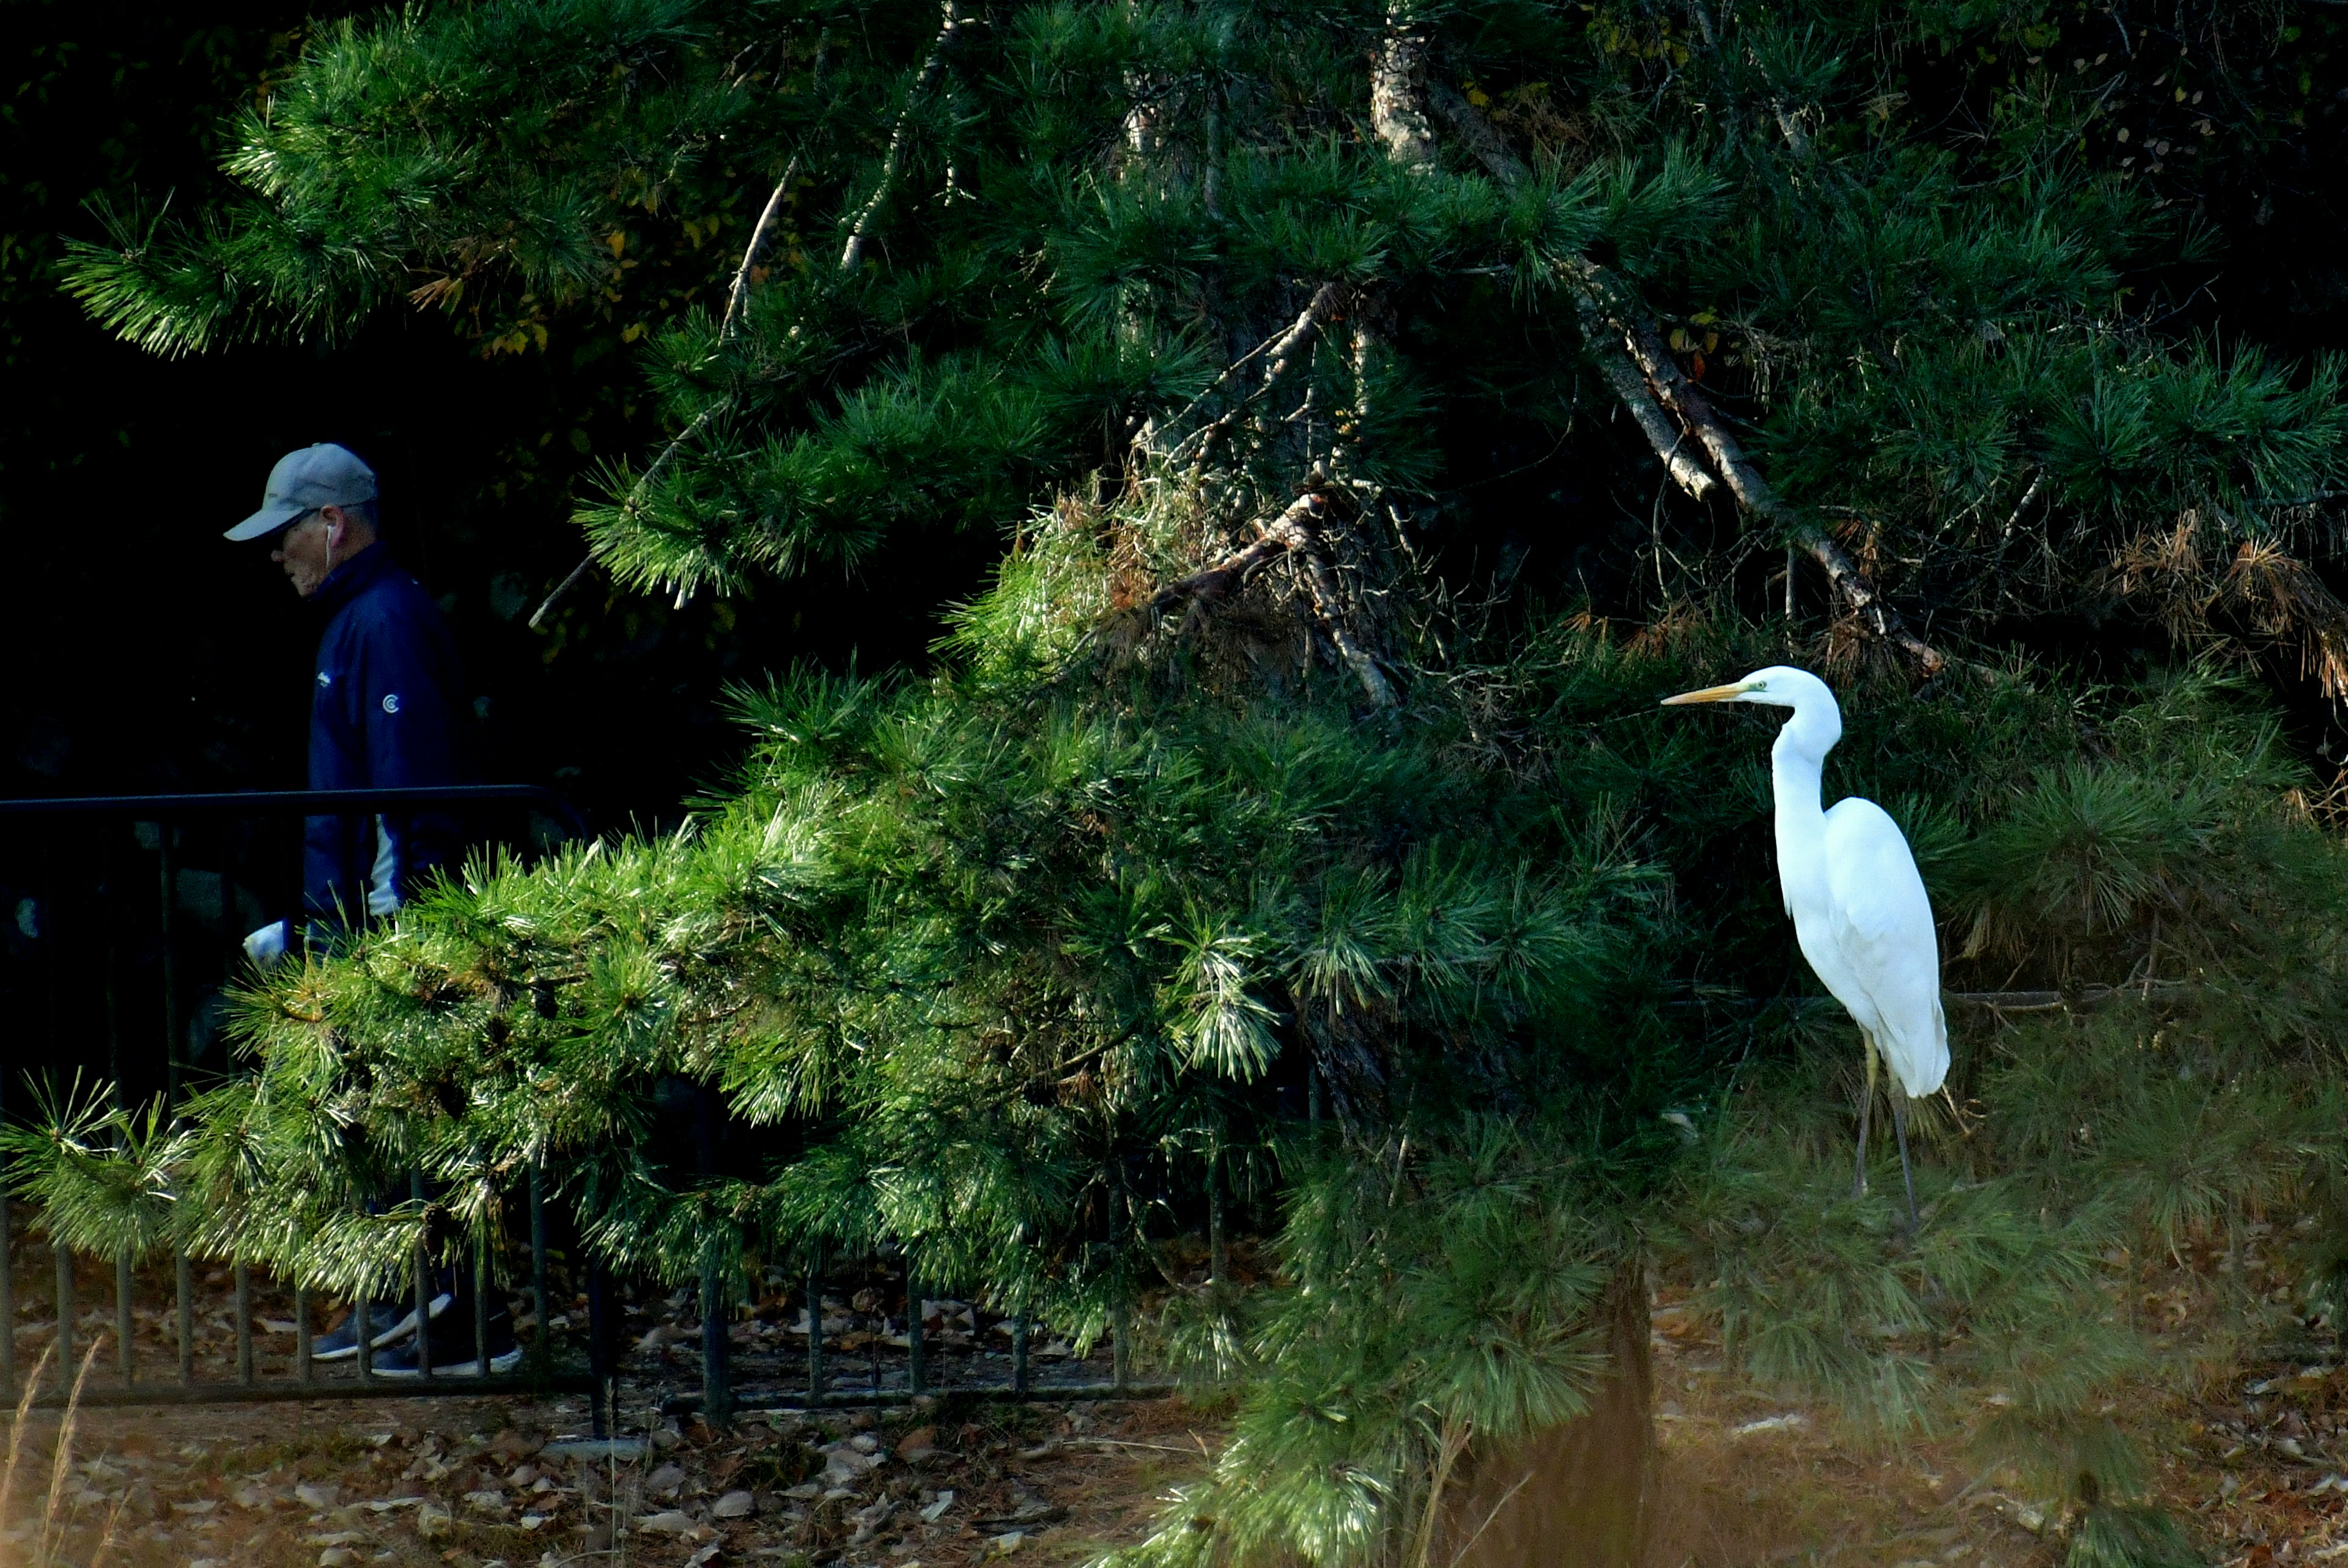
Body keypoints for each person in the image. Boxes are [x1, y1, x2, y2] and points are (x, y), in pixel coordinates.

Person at [228, 442, 519, 1375]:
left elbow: (413, 798)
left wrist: (399, 934)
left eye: (286, 535)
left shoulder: (381, 622)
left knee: (397, 1116)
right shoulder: (369, 617)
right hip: (385, 917)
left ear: (332, 524)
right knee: (405, 1115)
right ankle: (458, 1323)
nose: (278, 554)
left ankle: (420, 1297)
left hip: (400, 922)